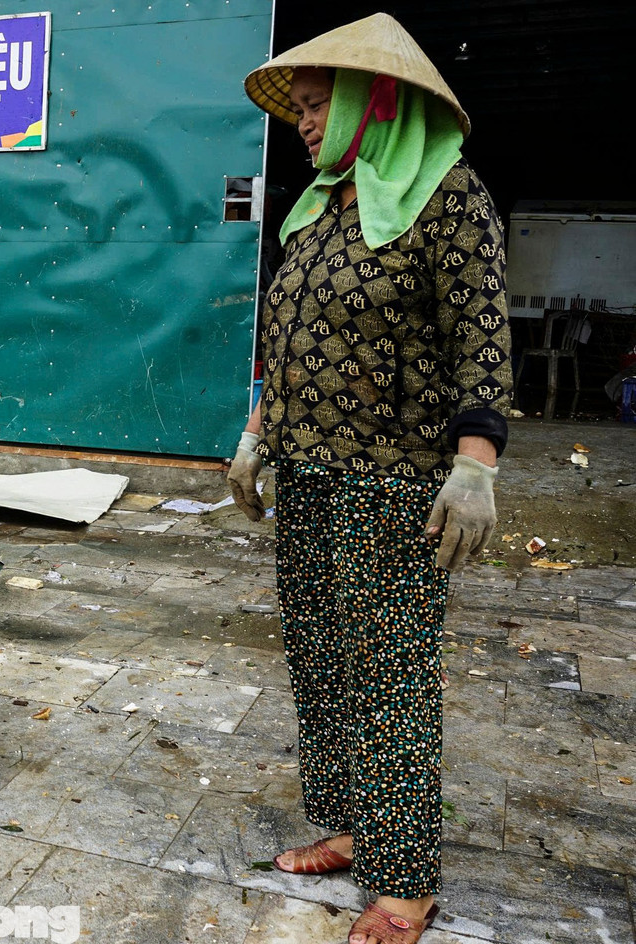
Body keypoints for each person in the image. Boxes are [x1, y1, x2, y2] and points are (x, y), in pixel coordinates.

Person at [230, 14, 512, 944]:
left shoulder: (449, 197)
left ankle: (407, 876)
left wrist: (475, 467)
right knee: (320, 658)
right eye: (301, 111)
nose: (305, 124)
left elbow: (481, 341)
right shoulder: (320, 205)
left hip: (393, 483)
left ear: (373, 101)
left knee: (389, 672)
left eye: (319, 107)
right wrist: (257, 430)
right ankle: (354, 824)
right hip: (308, 472)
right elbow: (286, 335)